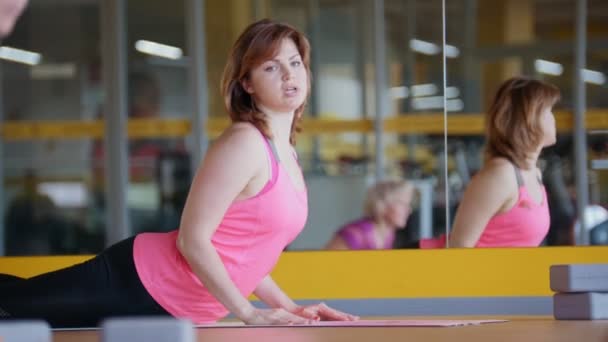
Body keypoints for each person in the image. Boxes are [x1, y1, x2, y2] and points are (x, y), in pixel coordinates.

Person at [0, 19, 357, 328]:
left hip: (178, 307)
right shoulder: (245, 143)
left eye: (295, 63)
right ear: (247, 83)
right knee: (15, 305)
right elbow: (193, 239)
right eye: (271, 67)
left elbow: (244, 256)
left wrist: (290, 308)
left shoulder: (286, 153)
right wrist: (249, 313)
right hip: (140, 281)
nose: (289, 75)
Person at [448, 76, 560, 248]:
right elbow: (459, 247)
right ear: (529, 118)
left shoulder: (534, 173)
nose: (554, 119)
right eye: (548, 111)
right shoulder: (502, 175)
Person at [326, 180, 415, 250]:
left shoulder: (388, 233)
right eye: (403, 204)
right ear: (383, 204)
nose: (409, 210)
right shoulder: (356, 234)